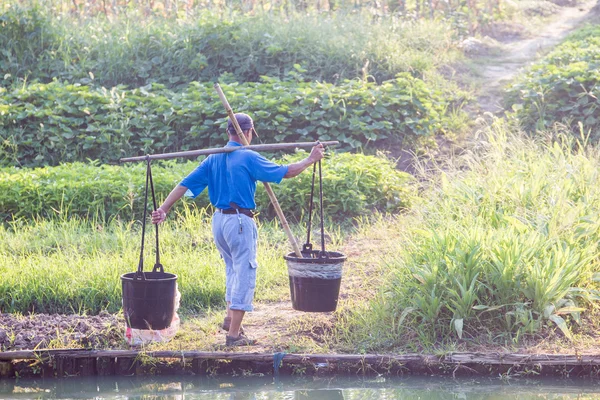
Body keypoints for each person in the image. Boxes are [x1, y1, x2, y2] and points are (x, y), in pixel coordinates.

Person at [151, 113, 325, 346]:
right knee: (244, 273)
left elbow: (185, 185)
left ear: (228, 132)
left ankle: (230, 319)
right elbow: (287, 171)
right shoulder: (248, 157)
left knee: (233, 269)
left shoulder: (214, 158)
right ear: (248, 132)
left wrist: (164, 208)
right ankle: (233, 336)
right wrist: (310, 159)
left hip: (219, 223)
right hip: (239, 222)